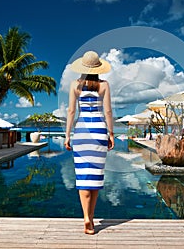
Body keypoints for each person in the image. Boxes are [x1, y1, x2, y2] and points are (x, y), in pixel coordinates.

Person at [64, 50, 114, 235]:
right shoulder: (104, 85)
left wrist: (68, 135)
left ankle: (86, 218)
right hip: (99, 130)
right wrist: (111, 133)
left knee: (83, 176)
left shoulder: (75, 85)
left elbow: (71, 111)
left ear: (83, 68)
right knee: (95, 176)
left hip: (82, 132)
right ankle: (91, 220)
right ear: (98, 68)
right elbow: (108, 112)